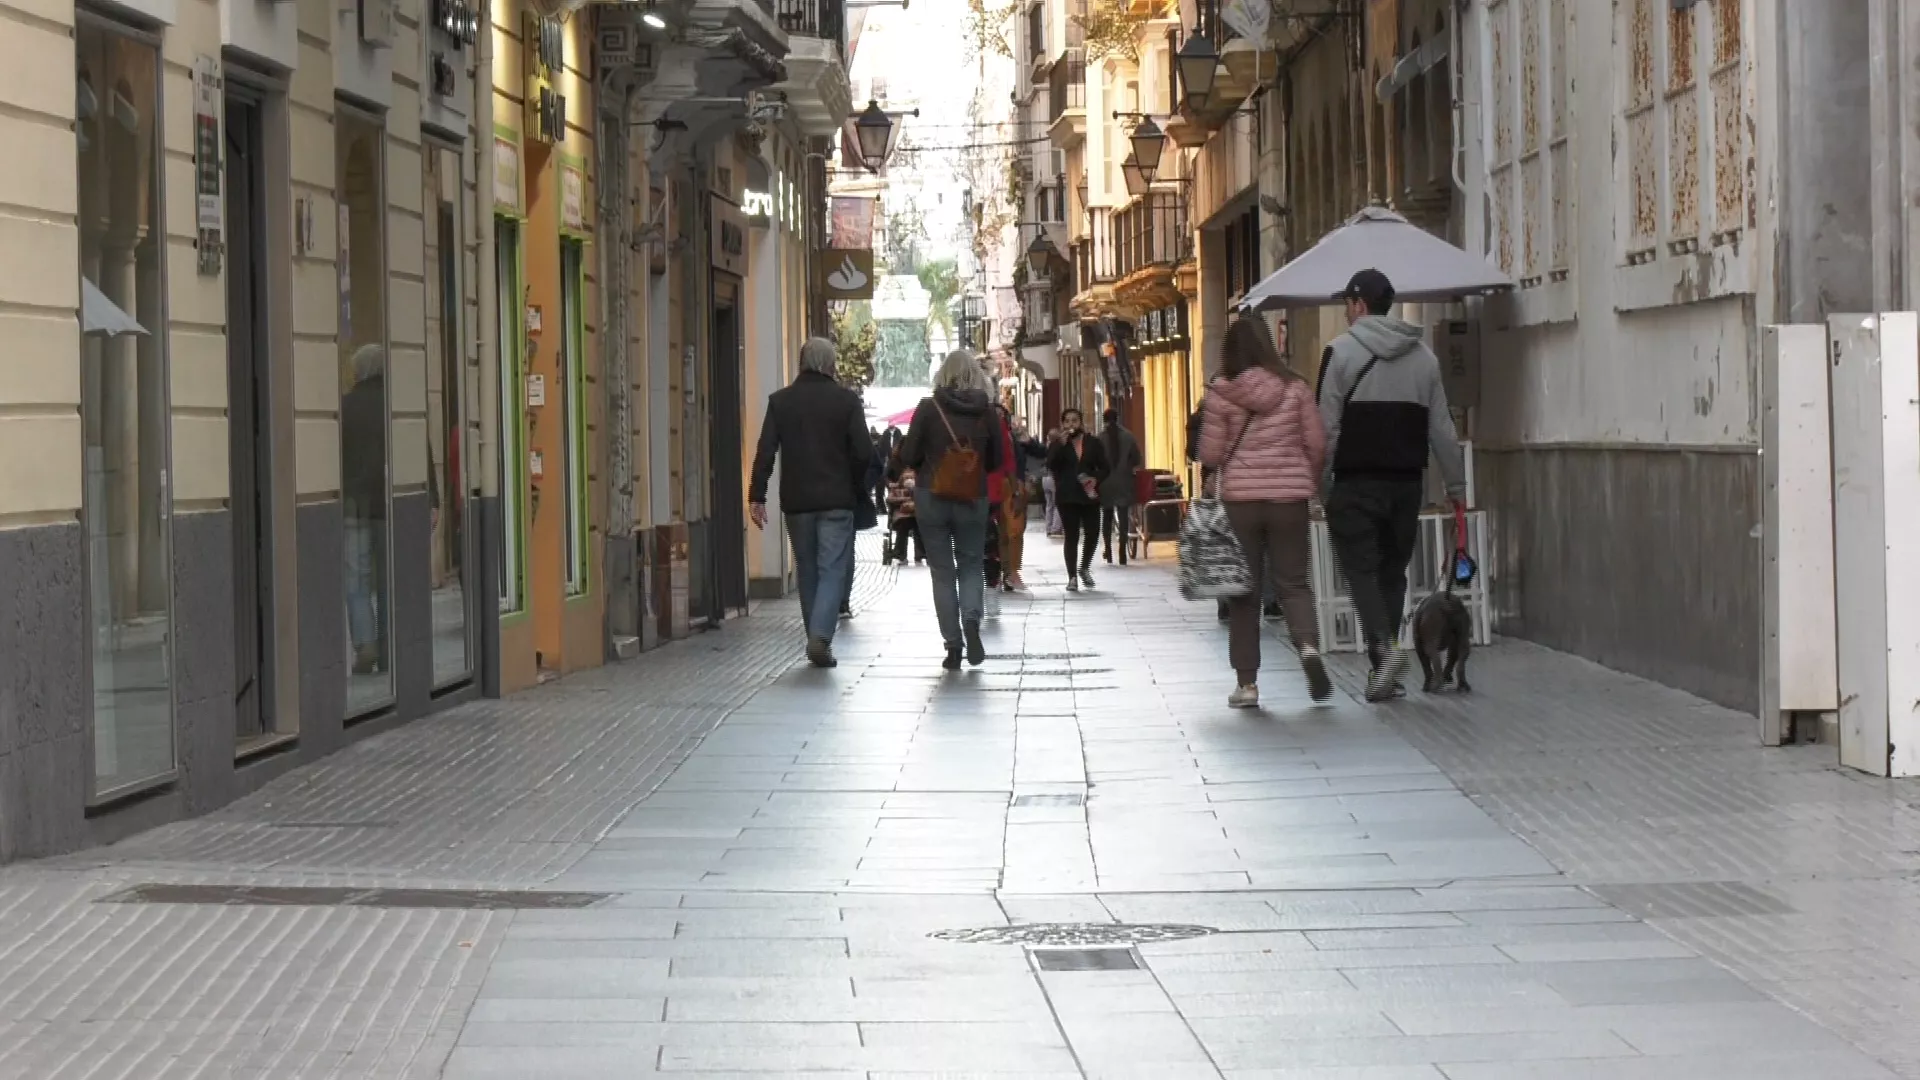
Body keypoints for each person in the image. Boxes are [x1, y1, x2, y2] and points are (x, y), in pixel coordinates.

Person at [1318, 268, 1468, 702]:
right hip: (1406, 485)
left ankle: (1383, 653)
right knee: (1391, 572)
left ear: (1359, 305)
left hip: (1354, 482)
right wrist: (1455, 487)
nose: (1347, 313)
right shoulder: (1424, 358)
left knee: (1360, 571)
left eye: (1348, 305)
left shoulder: (1339, 353)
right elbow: (1442, 427)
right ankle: (1386, 665)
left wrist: (1320, 481)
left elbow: (1325, 426)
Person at [1198, 313, 1331, 709]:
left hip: (1240, 502)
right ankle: (1307, 647)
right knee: (1293, 582)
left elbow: (1209, 453)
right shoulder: (1297, 390)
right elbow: (1318, 444)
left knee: (1244, 593)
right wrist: (1305, 478)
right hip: (1289, 500)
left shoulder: (1221, 393)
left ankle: (1247, 685)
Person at [747, 337, 874, 669]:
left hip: (797, 501)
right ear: (831, 364)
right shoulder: (846, 402)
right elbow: (864, 453)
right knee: (831, 569)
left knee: (807, 570)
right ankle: (820, 637)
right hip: (836, 500)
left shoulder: (781, 401)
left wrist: (756, 496)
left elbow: (765, 451)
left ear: (801, 362)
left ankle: (815, 636)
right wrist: (857, 483)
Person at [897, 350, 1003, 669]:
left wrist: (930, 462)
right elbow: (996, 460)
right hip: (973, 497)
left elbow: (909, 453)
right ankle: (971, 618)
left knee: (942, 572)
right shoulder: (987, 412)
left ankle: (953, 645)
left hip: (933, 495)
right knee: (971, 564)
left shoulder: (929, 408)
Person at [342, 345, 389, 674]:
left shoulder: (345, 407)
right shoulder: (395, 405)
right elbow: (420, 448)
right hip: (389, 505)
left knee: (356, 580)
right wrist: (432, 499)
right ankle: (390, 647)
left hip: (354, 506)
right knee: (389, 580)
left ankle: (366, 645)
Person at [1046, 407, 1109, 591]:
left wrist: (1095, 478)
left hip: (1089, 494)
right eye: (1067, 421)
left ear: (1081, 423)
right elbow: (1050, 465)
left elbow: (1105, 467)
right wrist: (1059, 446)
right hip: (1067, 496)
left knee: (1093, 532)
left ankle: (1084, 566)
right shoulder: (1058, 444)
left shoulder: (1093, 443)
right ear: (1062, 424)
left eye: (1075, 420)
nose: (1071, 424)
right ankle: (1072, 576)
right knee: (1071, 536)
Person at [1098, 408, 1143, 565]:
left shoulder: (1100, 438)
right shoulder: (1129, 437)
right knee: (1123, 516)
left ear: (1104, 420)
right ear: (1118, 418)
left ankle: (1108, 551)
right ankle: (1123, 552)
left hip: (1105, 483)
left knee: (1107, 516)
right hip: (1124, 480)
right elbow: (1137, 458)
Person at [1040, 428, 1065, 537]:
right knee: (1058, 504)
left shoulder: (1046, 447)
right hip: (1054, 478)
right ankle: (1056, 528)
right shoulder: (1057, 448)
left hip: (1045, 478)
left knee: (1049, 504)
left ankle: (1048, 528)